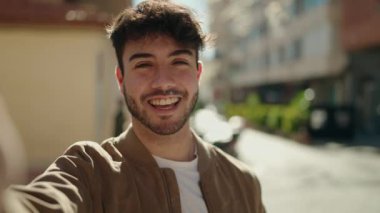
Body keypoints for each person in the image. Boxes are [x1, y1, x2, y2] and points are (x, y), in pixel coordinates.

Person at [3, 0, 265, 212]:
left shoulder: (242, 182)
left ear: (197, 74)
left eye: (178, 62)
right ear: (121, 79)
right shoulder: (88, 170)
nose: (163, 82)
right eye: (144, 64)